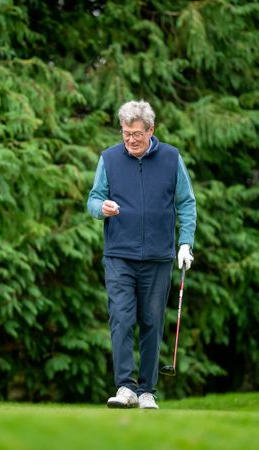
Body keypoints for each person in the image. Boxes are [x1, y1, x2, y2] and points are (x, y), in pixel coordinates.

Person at [87, 100, 197, 409]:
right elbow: (94, 199)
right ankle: (125, 387)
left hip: (158, 256)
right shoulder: (108, 159)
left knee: (151, 322)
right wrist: (101, 209)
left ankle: (147, 390)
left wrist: (185, 243)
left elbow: (186, 202)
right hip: (119, 254)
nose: (132, 140)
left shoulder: (171, 158)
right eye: (126, 133)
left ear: (151, 130)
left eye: (137, 133)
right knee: (121, 319)